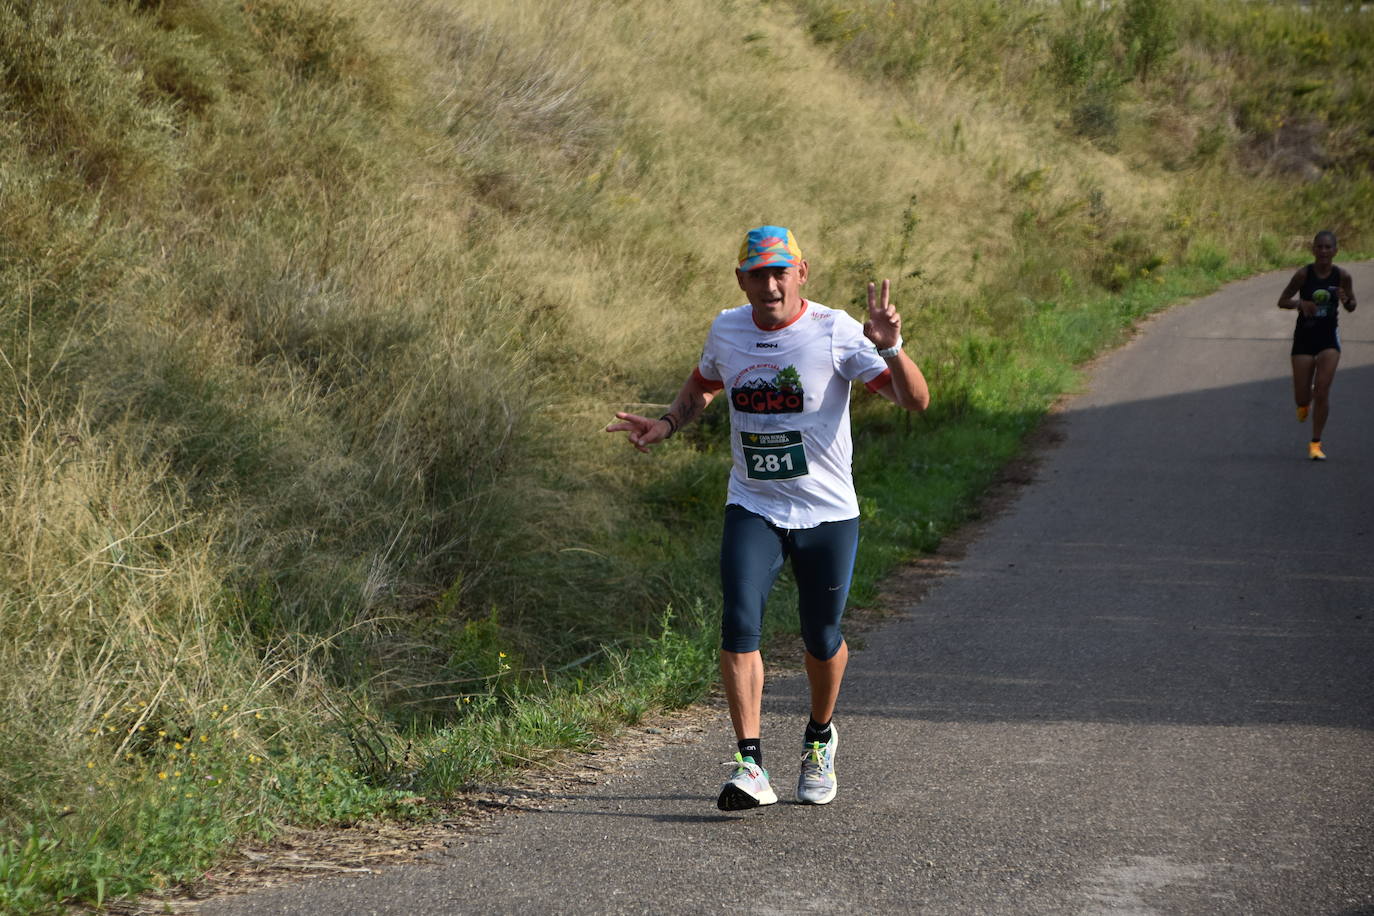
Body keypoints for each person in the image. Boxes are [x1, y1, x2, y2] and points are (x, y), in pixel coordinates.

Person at [606, 226, 930, 810]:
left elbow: (915, 401)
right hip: (753, 504)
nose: (771, 284)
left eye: (781, 272)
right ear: (742, 280)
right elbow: (705, 384)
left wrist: (889, 347)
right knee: (738, 622)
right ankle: (750, 763)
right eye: (758, 273)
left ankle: (819, 737)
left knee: (821, 636)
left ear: (802, 274)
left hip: (827, 512)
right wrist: (667, 423)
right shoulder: (728, 328)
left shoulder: (835, 331)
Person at [1276, 230, 1357, 461]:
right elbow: (1282, 301)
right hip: (1304, 338)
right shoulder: (1303, 274)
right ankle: (1303, 405)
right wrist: (1300, 304)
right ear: (1313, 250)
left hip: (1328, 338)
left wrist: (1346, 299)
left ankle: (1315, 443)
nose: (1323, 251)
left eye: (1328, 247)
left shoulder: (1343, 276)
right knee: (1303, 397)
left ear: (1335, 251)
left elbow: (1352, 305)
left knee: (1322, 391)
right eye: (1319, 247)